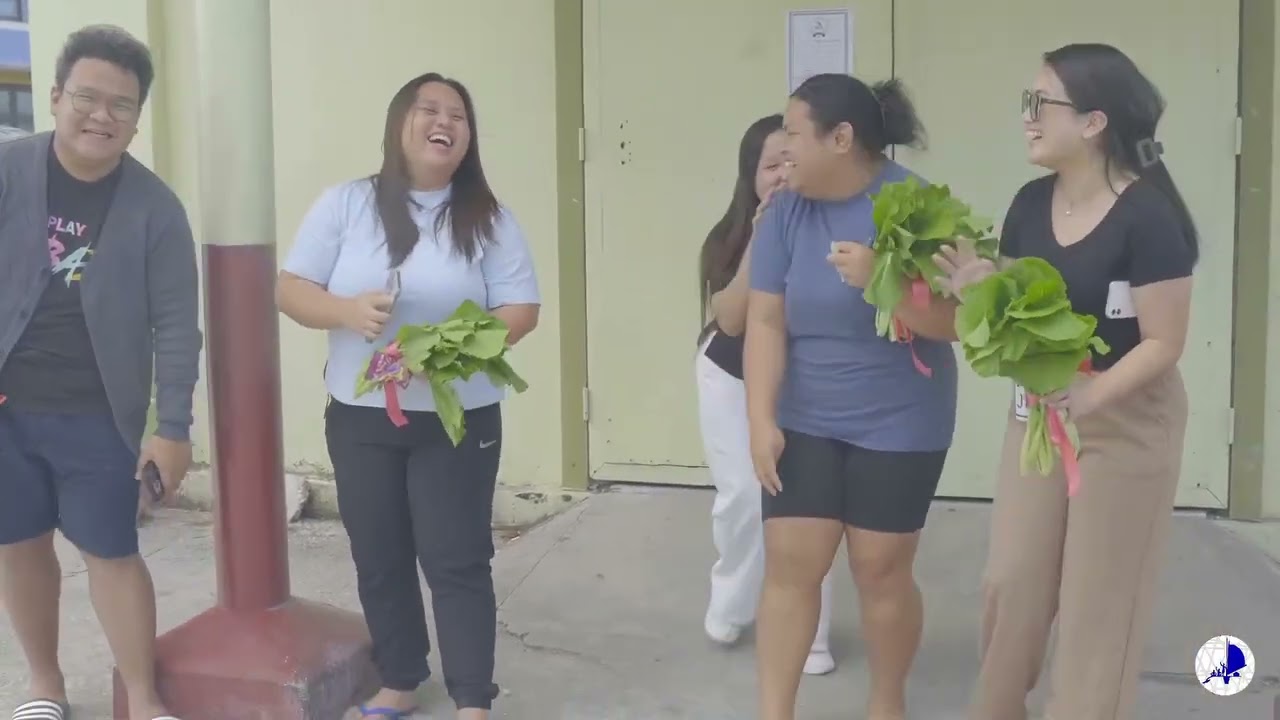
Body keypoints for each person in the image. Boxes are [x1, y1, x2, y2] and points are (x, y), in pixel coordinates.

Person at [934, 44, 1196, 720]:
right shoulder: (1028, 205)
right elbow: (1024, 318)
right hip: (1041, 417)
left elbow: (1165, 342)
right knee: (1012, 582)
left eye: (1038, 104)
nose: (1026, 119)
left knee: (1096, 603)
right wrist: (978, 290)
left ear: (1093, 122)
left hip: (1125, 420)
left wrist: (1092, 397)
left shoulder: (1148, 217)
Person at [276, 72, 540, 720]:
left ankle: (472, 699)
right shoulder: (347, 204)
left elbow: (521, 309)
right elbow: (289, 288)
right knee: (380, 554)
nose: (443, 120)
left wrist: (449, 351)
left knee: (457, 559)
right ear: (401, 123)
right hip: (362, 415)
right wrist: (345, 310)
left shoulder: (488, 217)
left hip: (458, 420)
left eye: (457, 114)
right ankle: (399, 677)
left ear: (467, 138)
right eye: (428, 109)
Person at [0, 25, 201, 720]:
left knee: (111, 554)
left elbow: (177, 326)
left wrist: (171, 429)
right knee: (18, 544)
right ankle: (44, 686)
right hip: (7, 411)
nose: (101, 115)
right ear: (54, 97)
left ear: (137, 120)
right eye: (87, 96)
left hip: (99, 418)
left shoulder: (156, 210)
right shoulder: (9, 172)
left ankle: (141, 700)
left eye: (121, 104)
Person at [745, 73, 961, 720]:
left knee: (880, 567)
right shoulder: (786, 209)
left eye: (792, 130)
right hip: (806, 413)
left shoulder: (919, 207)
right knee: (791, 561)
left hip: (901, 417)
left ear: (840, 139)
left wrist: (885, 284)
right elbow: (764, 320)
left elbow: (956, 322)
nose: (781, 144)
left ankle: (886, 704)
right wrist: (760, 418)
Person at [695, 113, 836, 676]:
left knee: (808, 506)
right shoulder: (730, 236)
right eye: (768, 164)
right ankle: (731, 600)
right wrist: (762, 235)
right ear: (749, 176)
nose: (781, 173)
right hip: (730, 376)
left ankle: (814, 633)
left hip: (808, 383)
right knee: (742, 501)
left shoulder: (838, 226)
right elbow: (730, 321)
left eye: (790, 160)